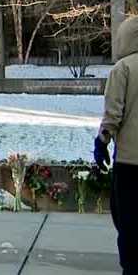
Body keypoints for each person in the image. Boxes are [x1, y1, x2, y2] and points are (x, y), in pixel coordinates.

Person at [96, 15, 138, 275]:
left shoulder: (124, 68)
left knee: (129, 220)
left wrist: (102, 141)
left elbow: (113, 113)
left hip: (130, 162)